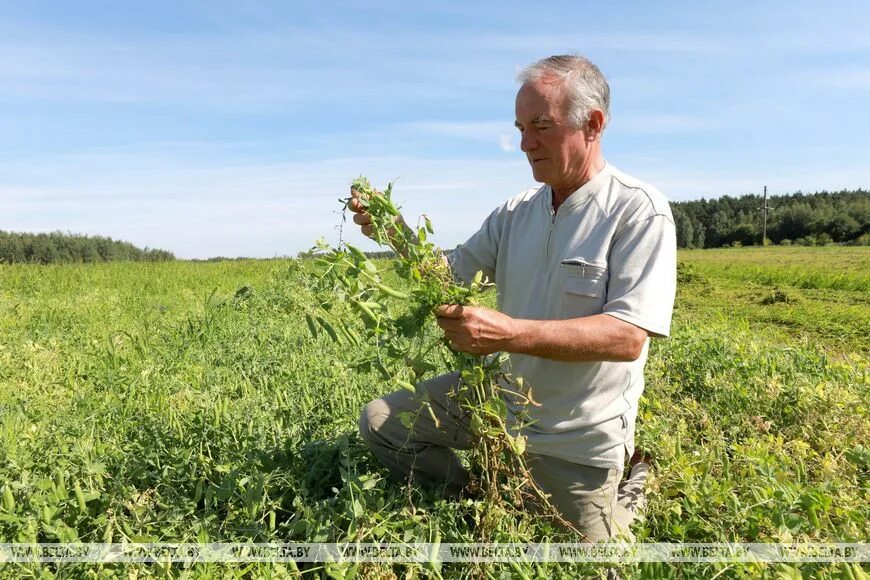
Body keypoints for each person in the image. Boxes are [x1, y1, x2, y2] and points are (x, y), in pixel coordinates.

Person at [348, 54, 676, 542]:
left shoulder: (637, 211)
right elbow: (448, 274)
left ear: (593, 124)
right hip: (500, 403)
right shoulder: (515, 212)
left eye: (541, 125)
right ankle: (483, 491)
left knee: (589, 553)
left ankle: (634, 483)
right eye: (521, 127)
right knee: (381, 422)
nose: (525, 143)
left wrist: (507, 332)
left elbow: (628, 336)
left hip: (576, 435)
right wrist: (397, 234)